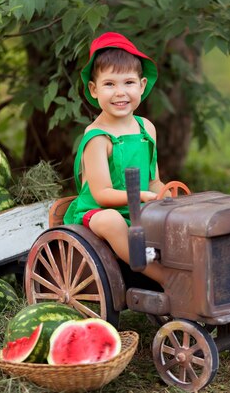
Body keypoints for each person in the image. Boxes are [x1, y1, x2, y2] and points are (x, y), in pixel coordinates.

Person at [63, 32, 170, 285]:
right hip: (99, 212)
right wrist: (142, 196)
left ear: (142, 85)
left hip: (138, 208)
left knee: (177, 216)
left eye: (128, 83)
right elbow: (102, 194)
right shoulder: (97, 138)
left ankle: (184, 266)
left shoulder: (146, 129)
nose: (120, 93)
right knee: (112, 221)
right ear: (94, 89)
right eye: (109, 84)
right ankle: (164, 278)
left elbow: (153, 180)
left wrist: (166, 196)